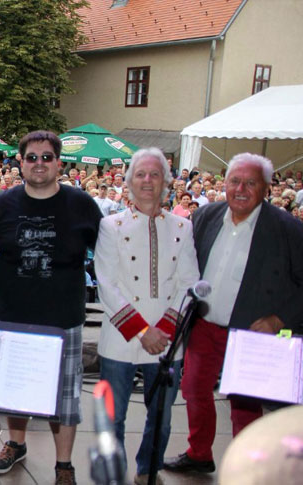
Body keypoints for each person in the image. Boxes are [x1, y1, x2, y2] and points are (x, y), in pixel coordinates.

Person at [165, 152, 303, 474]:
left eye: (250, 183)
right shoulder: (206, 215)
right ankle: (199, 454)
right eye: (235, 181)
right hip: (205, 325)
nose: (240, 189)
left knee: (245, 405)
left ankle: (248, 467)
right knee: (194, 389)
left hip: (252, 332)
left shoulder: (288, 229)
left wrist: (278, 319)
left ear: (266, 188)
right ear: (225, 184)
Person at [0, 131, 101, 484]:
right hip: (13, 316)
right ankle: (16, 443)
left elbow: (108, 255)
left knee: (65, 397)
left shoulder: (81, 204)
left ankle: (63, 463)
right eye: (32, 157)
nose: (39, 163)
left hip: (64, 319)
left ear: (59, 163)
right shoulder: (2, 204)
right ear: (20, 163)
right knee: (14, 389)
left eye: (47, 157)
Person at [94, 148, 199, 485]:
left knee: (162, 418)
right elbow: (106, 283)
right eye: (140, 174)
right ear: (129, 182)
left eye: (155, 174)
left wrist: (164, 329)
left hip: (167, 339)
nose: (148, 181)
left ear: (167, 182)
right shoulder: (111, 225)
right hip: (121, 336)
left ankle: (147, 472)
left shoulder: (183, 226)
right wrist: (143, 330)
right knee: (113, 418)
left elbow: (189, 282)